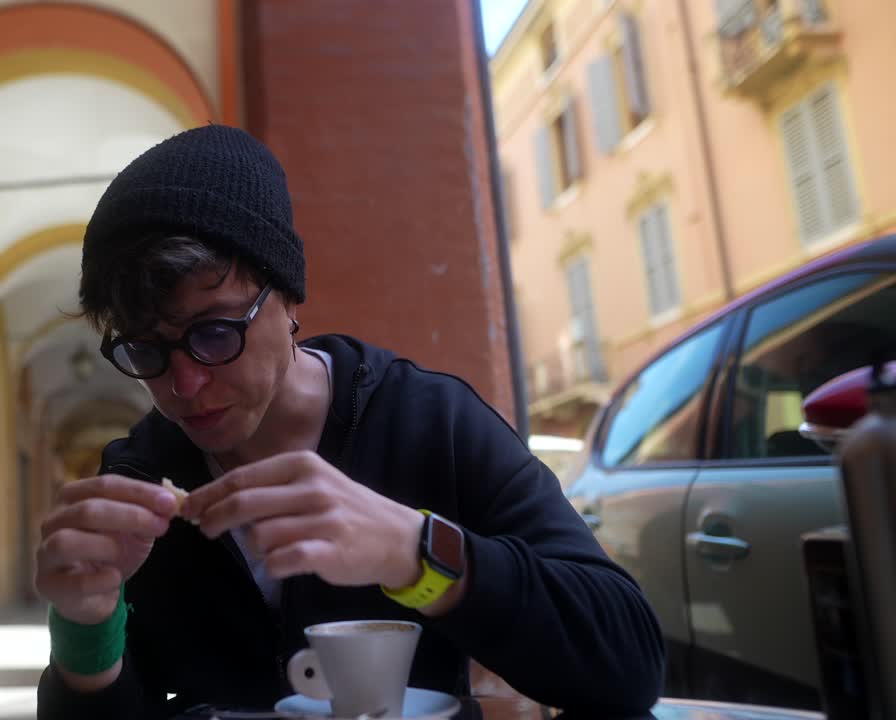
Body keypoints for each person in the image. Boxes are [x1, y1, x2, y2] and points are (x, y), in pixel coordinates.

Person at [34, 125, 666, 719]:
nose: (184, 384)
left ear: (286, 298)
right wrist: (87, 631)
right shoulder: (142, 474)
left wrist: (417, 554)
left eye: (216, 331)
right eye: (145, 349)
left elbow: (629, 661)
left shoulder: (430, 422)